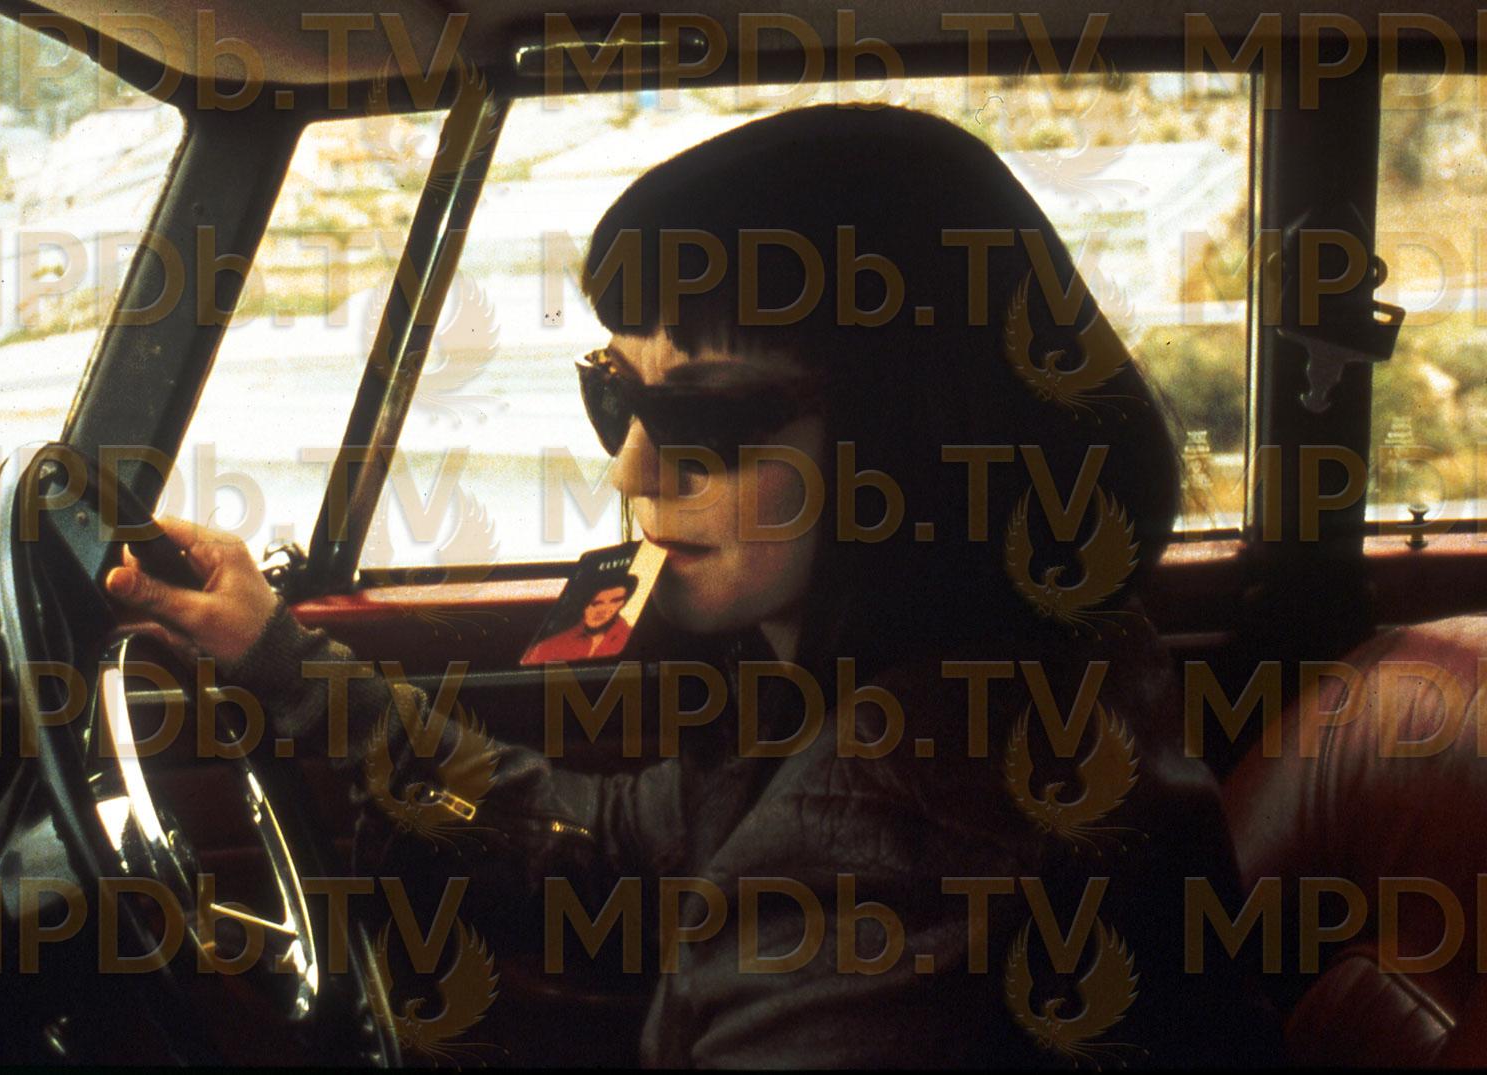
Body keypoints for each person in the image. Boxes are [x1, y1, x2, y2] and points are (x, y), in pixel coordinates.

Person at [106, 105, 1281, 1066]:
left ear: (917, 437)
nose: (630, 468)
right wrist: (280, 657)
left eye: (709, 414)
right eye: (615, 391)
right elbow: (601, 844)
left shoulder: (901, 873)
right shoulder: (904, 685)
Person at [521, 572, 638, 663]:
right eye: (595, 603)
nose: (603, 610)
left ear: (623, 603)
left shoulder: (631, 638)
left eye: (615, 601)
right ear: (582, 604)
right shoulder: (548, 646)